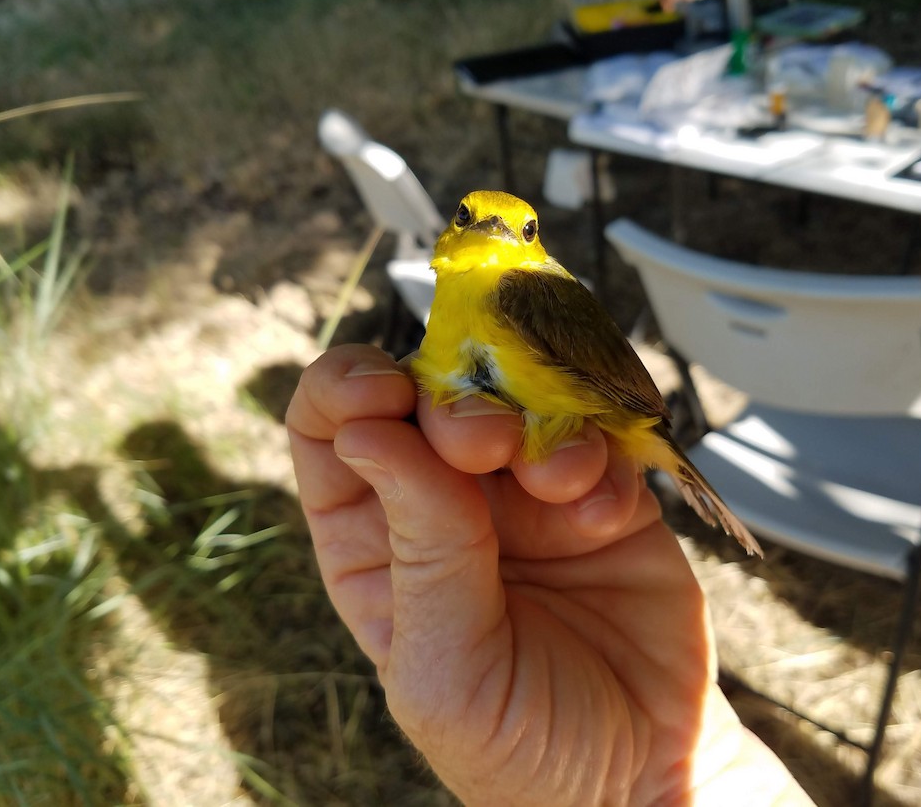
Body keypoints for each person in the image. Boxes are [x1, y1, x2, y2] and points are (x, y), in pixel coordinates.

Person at [287, 344, 814, 806]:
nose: (497, 227)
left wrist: (649, 785)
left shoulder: (519, 290)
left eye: (525, 227)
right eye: (469, 219)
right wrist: (646, 782)